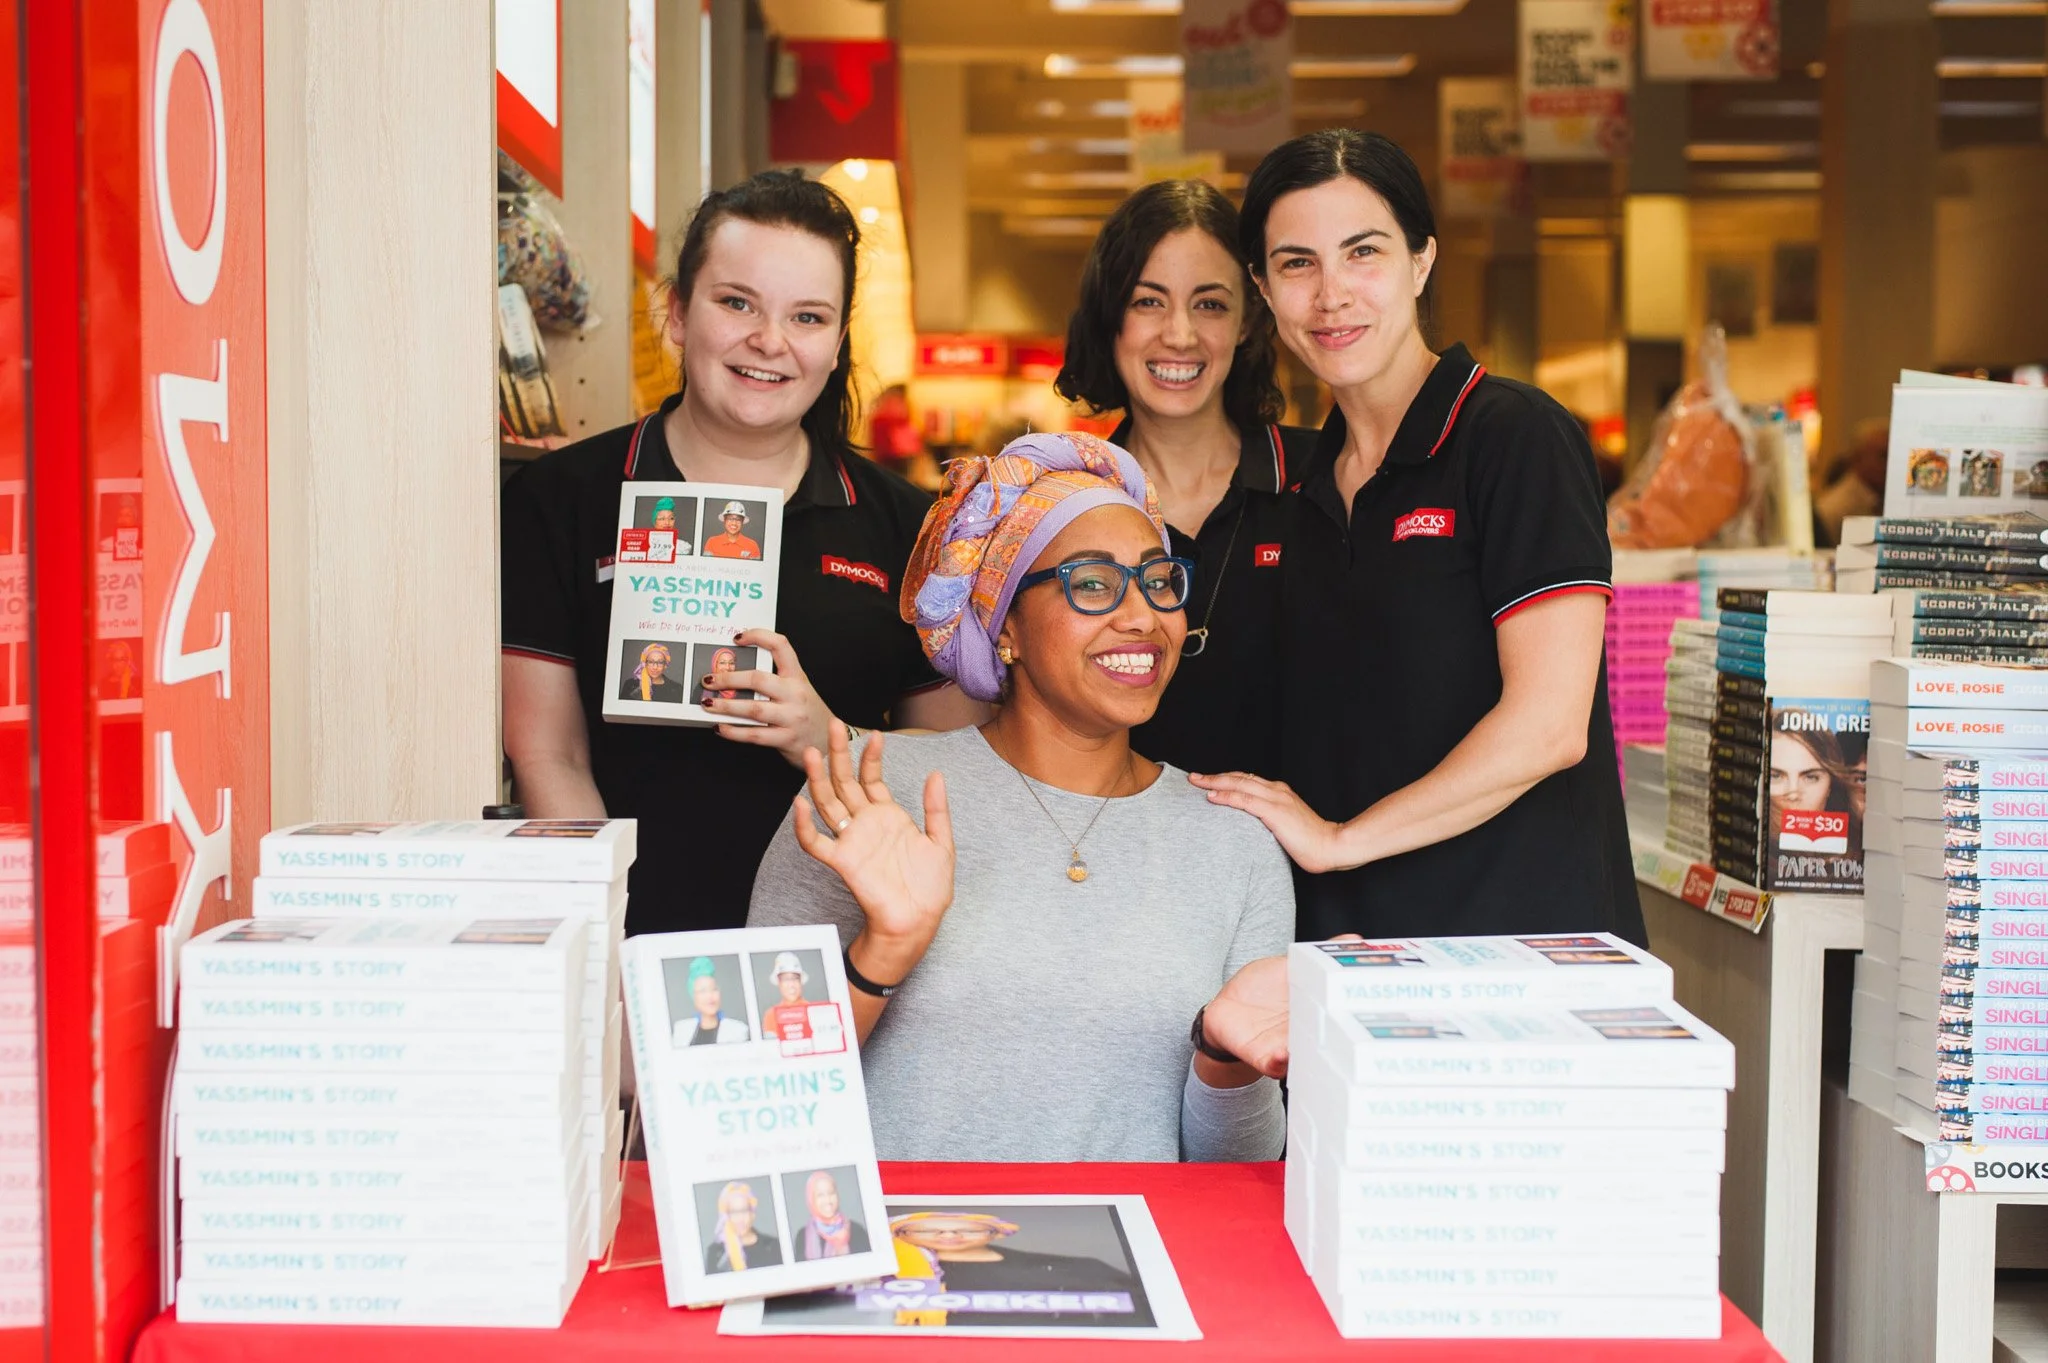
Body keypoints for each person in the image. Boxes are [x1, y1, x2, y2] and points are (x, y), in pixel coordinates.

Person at [749, 431, 1294, 1163]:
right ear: (1004, 622)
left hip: (1131, 1268)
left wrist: (1224, 1055)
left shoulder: (1235, 844)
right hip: (909, 1265)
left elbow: (1240, 1170)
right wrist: (881, 955)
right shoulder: (870, 796)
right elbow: (750, 1100)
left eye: (1159, 581)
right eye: (1093, 583)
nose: (1142, 616)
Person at [501, 169, 986, 935]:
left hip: (843, 956)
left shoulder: (906, 524)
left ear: (837, 343)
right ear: (676, 314)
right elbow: (548, 754)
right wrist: (603, 946)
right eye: (737, 303)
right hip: (633, 936)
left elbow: (957, 762)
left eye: (808, 316)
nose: (770, 341)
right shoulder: (563, 498)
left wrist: (826, 736)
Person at [1191, 130, 1643, 945]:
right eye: (1297, 264)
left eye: (1363, 253)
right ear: (1262, 287)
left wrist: (1340, 842)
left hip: (1516, 953)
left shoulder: (1513, 438)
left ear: (1421, 262)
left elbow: (1549, 725)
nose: (1332, 295)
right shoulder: (1299, 486)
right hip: (1350, 955)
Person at [1054, 180, 1319, 778]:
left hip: (1309, 856)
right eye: (1148, 301)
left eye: (1210, 304)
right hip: (1108, 859)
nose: (1179, 334)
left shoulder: (1328, 481)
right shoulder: (1062, 503)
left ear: (1249, 320)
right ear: (1110, 316)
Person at [704, 1181, 781, 1273]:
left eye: (744, 1211)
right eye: (734, 1212)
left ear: (752, 1213)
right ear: (726, 1216)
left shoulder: (773, 1246)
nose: (740, 1219)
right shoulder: (716, 1253)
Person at [672, 956, 749, 1045]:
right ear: (693, 996)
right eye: (702, 991)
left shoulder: (738, 1030)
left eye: (714, 989)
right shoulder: (681, 1030)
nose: (709, 996)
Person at [797, 1170, 869, 1259]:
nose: (828, 1200)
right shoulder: (802, 1237)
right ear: (811, 1199)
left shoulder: (856, 1231)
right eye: (820, 1195)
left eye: (831, 1193)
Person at [759, 950, 813, 1039]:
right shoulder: (771, 1015)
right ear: (779, 983)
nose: (791, 985)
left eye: (795, 979)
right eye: (785, 979)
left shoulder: (814, 1011)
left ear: (800, 981)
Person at [621, 642, 685, 704]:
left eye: (660, 662)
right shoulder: (630, 685)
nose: (655, 667)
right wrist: (639, 690)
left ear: (665, 665)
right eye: (651, 662)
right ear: (645, 663)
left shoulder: (677, 689)